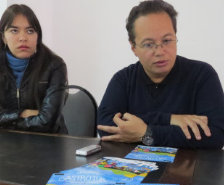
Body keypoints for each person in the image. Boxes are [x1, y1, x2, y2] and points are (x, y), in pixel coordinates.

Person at [97, 0, 224, 149]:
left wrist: (146, 133)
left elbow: (216, 136)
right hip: (133, 169)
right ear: (133, 47)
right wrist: (170, 119)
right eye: (149, 44)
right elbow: (105, 126)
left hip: (188, 170)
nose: (160, 51)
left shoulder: (202, 75)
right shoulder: (123, 79)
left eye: (167, 40)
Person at [0, 4, 68, 133]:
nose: (23, 38)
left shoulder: (54, 66)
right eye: (14, 30)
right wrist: (21, 114)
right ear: (3, 37)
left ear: (38, 36)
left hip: (48, 144)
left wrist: (7, 121)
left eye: (30, 31)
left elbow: (47, 122)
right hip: (5, 145)